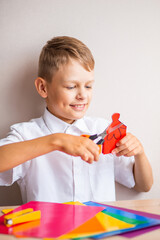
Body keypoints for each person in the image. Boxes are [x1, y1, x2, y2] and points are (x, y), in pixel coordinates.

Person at [0, 36, 153, 203]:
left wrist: (139, 154)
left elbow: (143, 185)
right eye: (71, 87)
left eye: (88, 86)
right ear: (43, 88)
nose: (82, 95)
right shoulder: (26, 134)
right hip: (50, 229)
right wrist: (56, 141)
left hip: (102, 229)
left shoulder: (103, 129)